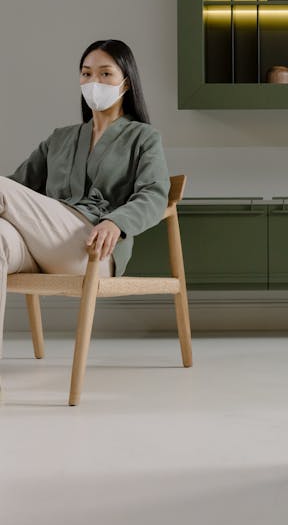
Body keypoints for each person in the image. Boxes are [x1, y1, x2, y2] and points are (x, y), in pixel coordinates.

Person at [0, 39, 170, 363]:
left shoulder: (144, 138)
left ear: (126, 82)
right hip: (40, 245)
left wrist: (116, 222)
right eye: (87, 73)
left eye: (106, 74)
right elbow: (16, 188)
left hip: (91, 248)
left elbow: (154, 195)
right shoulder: (59, 139)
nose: (95, 82)